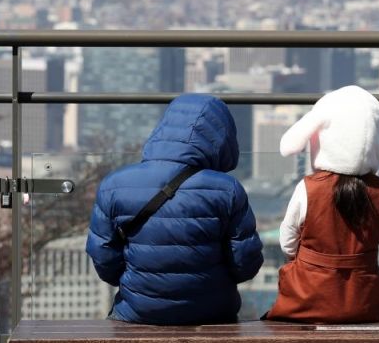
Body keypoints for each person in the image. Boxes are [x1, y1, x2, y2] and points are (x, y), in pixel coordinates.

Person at [86, 94, 263, 324]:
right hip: (213, 314)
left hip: (137, 312)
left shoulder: (114, 184)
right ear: (223, 138)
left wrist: (139, 280)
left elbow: (103, 257)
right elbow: (246, 263)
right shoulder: (228, 189)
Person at [266, 85, 379, 323]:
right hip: (365, 301)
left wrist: (301, 259)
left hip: (307, 295)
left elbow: (287, 240)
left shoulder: (310, 188)